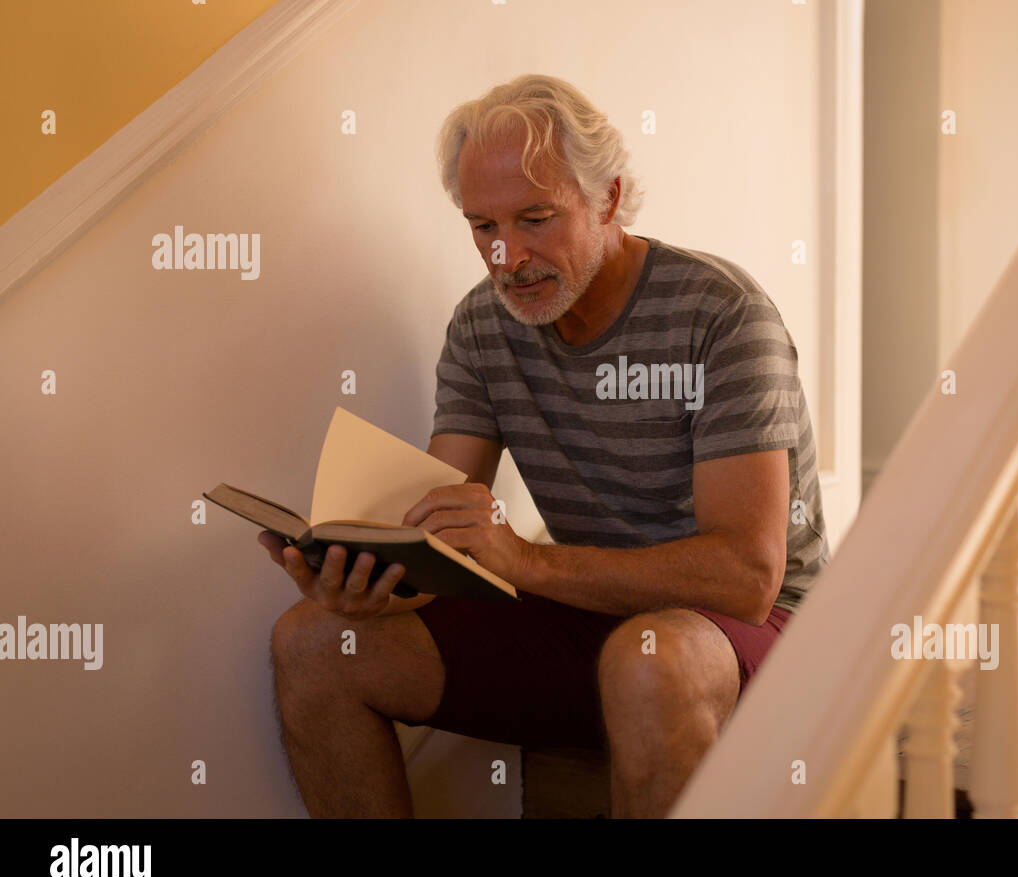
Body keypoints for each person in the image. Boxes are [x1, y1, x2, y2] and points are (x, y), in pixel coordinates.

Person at [261, 73, 827, 818]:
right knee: (312, 643)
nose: (508, 257)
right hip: (595, 619)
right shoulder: (480, 328)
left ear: (610, 199)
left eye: (535, 219)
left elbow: (747, 577)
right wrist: (374, 579)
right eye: (483, 227)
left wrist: (524, 560)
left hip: (758, 631)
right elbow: (442, 536)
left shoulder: (720, 314)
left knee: (651, 659)